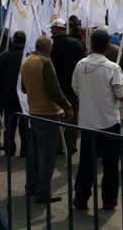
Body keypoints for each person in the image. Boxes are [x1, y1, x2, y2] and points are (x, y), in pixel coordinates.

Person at [72, 29, 123, 212]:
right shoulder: (113, 68)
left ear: (91, 45)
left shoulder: (80, 64)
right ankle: (109, 200)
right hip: (109, 121)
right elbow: (121, 96)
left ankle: (81, 198)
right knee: (110, 164)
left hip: (88, 121)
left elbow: (76, 88)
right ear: (106, 47)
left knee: (86, 162)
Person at [20, 35, 73, 204]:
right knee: (47, 156)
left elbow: (23, 88)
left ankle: (32, 186)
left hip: (34, 111)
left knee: (35, 153)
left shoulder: (27, 61)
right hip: (48, 113)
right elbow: (54, 90)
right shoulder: (46, 62)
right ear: (49, 48)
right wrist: (67, 106)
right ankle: (43, 192)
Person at [49, 18, 85, 154]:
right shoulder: (75, 43)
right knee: (72, 117)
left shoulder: (50, 43)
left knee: (56, 116)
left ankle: (58, 144)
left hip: (55, 87)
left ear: (58, 29)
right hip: (72, 87)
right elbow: (81, 64)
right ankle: (71, 143)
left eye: (53, 28)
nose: (51, 31)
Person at [0, 30, 28, 157]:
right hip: (24, 94)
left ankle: (9, 149)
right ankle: (25, 150)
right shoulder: (28, 56)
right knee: (25, 123)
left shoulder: (4, 56)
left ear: (13, 40)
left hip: (8, 93)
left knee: (9, 122)